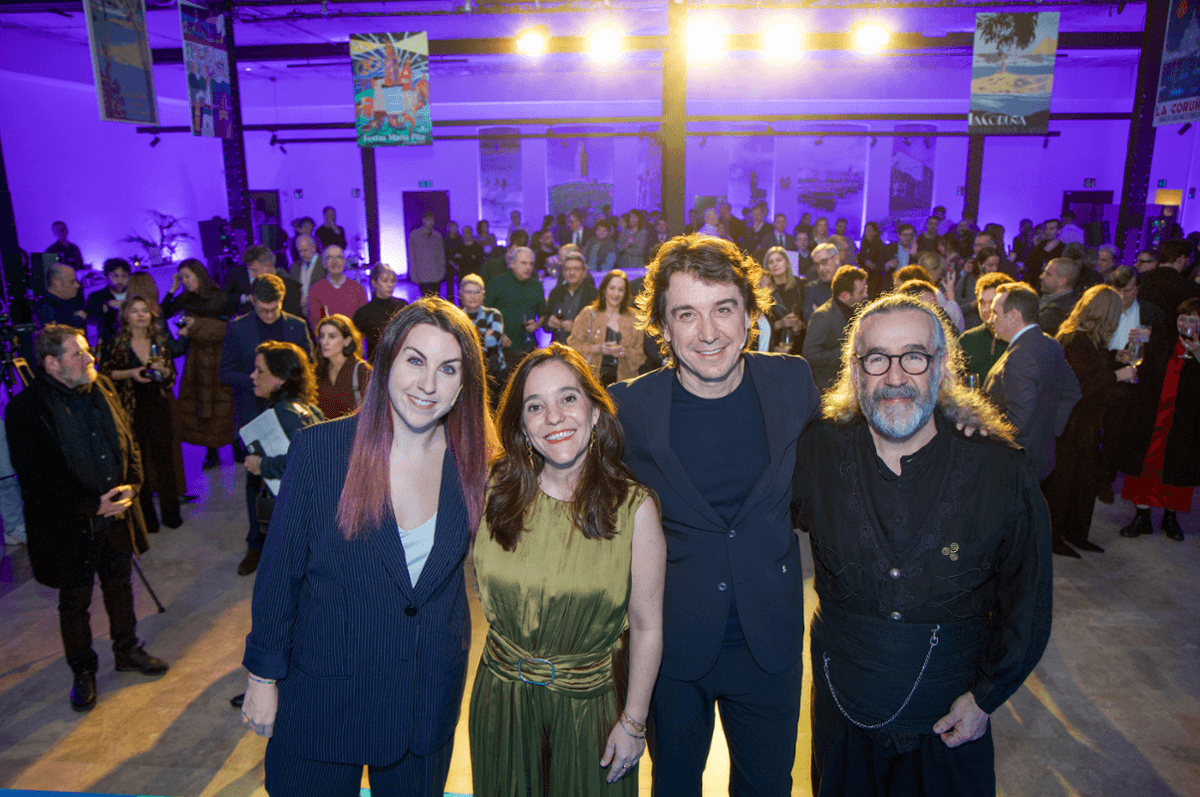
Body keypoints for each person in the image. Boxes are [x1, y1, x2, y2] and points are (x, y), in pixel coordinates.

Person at [792, 293, 1052, 797]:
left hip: (950, 720)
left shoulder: (998, 469)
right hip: (843, 712)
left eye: (913, 357)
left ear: (941, 365)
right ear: (855, 369)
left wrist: (986, 698)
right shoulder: (816, 451)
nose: (895, 377)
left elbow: (1029, 598)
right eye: (877, 359)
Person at [241, 299, 495, 796]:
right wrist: (262, 678)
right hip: (325, 695)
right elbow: (279, 575)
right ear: (386, 361)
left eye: (448, 369)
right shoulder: (321, 451)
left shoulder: (473, 465)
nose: (428, 384)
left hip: (423, 700)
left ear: (465, 384)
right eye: (415, 360)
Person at [609, 235, 821, 795]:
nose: (708, 333)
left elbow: (857, 434)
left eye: (723, 309)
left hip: (769, 641)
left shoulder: (792, 382)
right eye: (687, 314)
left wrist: (953, 420)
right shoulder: (629, 407)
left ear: (750, 315)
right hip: (673, 645)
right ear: (663, 325)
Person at [469, 344, 665, 793]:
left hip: (588, 711)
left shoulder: (634, 509)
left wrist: (634, 724)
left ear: (595, 412)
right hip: (500, 702)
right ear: (522, 425)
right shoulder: (492, 493)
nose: (554, 417)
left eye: (568, 398)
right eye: (535, 407)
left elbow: (647, 626)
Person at [6, 324, 169, 712]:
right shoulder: (25, 409)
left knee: (120, 586)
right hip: (70, 525)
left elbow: (128, 440)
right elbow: (34, 477)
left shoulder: (102, 387)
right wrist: (91, 505)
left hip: (117, 515)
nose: (90, 358)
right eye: (78, 354)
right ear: (52, 363)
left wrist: (132, 486)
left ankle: (127, 651)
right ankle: (83, 671)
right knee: (75, 601)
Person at [219, 274, 313, 576]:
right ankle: (256, 545)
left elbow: (307, 365)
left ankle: (295, 544)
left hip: (288, 410)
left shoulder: (296, 325)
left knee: (294, 474)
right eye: (263, 310)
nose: (270, 315)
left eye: (275, 309)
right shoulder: (237, 328)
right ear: (252, 300)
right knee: (256, 481)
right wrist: (260, 381)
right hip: (254, 412)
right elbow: (225, 371)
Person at [1039, 286, 1139, 557]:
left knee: (1083, 482)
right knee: (1063, 483)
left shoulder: (1084, 339)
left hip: (1084, 424)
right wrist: (1117, 375)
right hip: (1072, 424)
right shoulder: (1075, 339)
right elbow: (1081, 385)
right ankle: (1054, 538)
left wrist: (1113, 360)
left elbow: (1090, 371)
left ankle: (1075, 534)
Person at [1111, 298, 1200, 542]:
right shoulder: (1163, 340)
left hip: (1186, 420)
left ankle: (1171, 516)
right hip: (1155, 414)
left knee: (1178, 467)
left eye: (1193, 320)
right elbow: (1139, 360)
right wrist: (1131, 347)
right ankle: (1142, 515)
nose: (1186, 324)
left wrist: (1196, 351)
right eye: (1182, 318)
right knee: (1146, 464)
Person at [100, 296, 187, 534]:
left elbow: (170, 376)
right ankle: (147, 520)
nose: (141, 315)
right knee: (139, 466)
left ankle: (171, 514)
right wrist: (132, 372)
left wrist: (164, 371)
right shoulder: (117, 342)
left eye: (145, 311)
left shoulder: (159, 339)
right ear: (126, 316)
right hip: (131, 409)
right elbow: (105, 373)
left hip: (159, 404)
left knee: (165, 461)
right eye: (135, 311)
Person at [984, 283, 1082, 483]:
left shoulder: (1021, 355)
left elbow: (1018, 421)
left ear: (1013, 315)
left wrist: (985, 431)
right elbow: (1072, 392)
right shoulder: (1049, 343)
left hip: (1015, 461)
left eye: (995, 313)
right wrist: (1049, 433)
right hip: (1039, 456)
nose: (991, 319)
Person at [162, 259, 236, 469]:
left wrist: (198, 325)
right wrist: (172, 289)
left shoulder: (218, 296)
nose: (185, 281)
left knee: (226, 402)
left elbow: (228, 326)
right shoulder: (185, 298)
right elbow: (163, 312)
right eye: (182, 278)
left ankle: (236, 445)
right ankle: (211, 450)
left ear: (199, 274)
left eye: (188, 276)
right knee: (203, 404)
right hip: (196, 358)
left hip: (220, 355)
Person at [567, 269, 646, 386]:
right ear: (604, 290)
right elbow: (573, 345)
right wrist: (597, 348)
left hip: (624, 383)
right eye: (612, 288)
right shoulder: (588, 314)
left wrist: (625, 352)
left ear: (625, 293)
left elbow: (640, 356)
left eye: (621, 290)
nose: (616, 294)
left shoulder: (635, 317)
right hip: (593, 382)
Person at [803, 265, 869, 392]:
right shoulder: (823, 316)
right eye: (861, 292)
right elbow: (810, 355)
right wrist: (847, 353)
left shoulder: (859, 309)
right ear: (845, 296)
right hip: (830, 386)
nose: (866, 295)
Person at [485, 246, 546, 370]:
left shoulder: (536, 286)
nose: (528, 267)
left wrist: (537, 324)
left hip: (527, 349)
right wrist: (497, 334)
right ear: (512, 264)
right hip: (500, 350)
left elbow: (544, 314)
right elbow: (484, 312)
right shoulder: (497, 282)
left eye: (531, 264)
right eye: (523, 263)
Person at [314, 314, 371, 419]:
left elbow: (375, 409)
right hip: (325, 428)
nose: (324, 342)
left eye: (332, 336)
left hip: (353, 428)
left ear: (347, 341)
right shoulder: (318, 371)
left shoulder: (362, 371)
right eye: (322, 336)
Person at [459, 273, 506, 401]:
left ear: (483, 294)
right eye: (468, 292)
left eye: (477, 292)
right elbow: (456, 344)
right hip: (467, 375)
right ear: (461, 293)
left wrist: (467, 336)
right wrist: (483, 334)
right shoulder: (457, 317)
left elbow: (493, 341)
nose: (473, 296)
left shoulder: (493, 314)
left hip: (494, 374)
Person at [958, 272, 1013, 380]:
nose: (986, 309)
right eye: (982, 302)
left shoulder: (1017, 340)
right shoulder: (967, 340)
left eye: (992, 302)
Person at [227, 245, 302, 317]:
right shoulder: (260, 286)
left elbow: (290, 319)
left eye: (255, 270)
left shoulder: (289, 286)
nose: (252, 275)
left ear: (268, 265)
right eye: (251, 271)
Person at [353, 263, 407, 360]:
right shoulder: (363, 312)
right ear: (374, 282)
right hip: (375, 364)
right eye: (385, 280)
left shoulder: (402, 306)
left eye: (393, 280)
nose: (390, 285)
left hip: (399, 361)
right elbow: (356, 344)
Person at [307, 246, 368, 332]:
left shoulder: (358, 289)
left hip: (353, 339)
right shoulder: (315, 290)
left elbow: (363, 322)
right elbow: (315, 323)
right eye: (329, 258)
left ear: (344, 261)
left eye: (339, 257)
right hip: (327, 339)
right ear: (324, 263)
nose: (334, 262)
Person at [543, 252, 598, 344]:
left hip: (582, 348)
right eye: (568, 269)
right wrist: (549, 323)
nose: (571, 273)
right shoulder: (556, 293)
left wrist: (576, 328)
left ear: (584, 272)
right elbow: (545, 324)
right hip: (559, 347)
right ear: (563, 273)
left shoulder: (594, 294)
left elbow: (599, 328)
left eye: (576, 269)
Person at [763, 245, 806, 353]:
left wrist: (800, 324)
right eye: (770, 262)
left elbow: (808, 317)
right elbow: (759, 325)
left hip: (800, 344)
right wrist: (781, 323)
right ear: (767, 267)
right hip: (775, 346)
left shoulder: (800, 285)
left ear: (787, 263)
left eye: (779, 260)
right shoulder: (765, 289)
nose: (775, 264)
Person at [85, 258, 131, 349]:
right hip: (109, 346)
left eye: (124, 276)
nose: (119, 280)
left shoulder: (135, 294)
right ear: (106, 276)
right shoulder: (97, 296)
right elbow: (90, 318)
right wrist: (106, 306)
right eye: (115, 276)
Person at [33, 263, 86, 330]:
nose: (77, 285)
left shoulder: (68, 303)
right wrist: (78, 319)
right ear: (57, 282)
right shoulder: (45, 308)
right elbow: (55, 333)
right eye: (72, 281)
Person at [1038, 257, 1081, 336]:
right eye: (1044, 272)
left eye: (1048, 274)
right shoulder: (1048, 298)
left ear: (1062, 281)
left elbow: (1028, 326)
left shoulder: (1061, 310)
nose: (1041, 276)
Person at [409, 211, 447, 298]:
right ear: (423, 220)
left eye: (432, 220)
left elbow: (441, 255)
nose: (430, 222)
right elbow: (412, 256)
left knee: (435, 300)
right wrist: (413, 275)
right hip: (422, 274)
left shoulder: (437, 236)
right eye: (428, 219)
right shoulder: (414, 235)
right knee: (426, 300)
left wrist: (442, 271)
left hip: (436, 274)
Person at [289, 234, 326, 308]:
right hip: (300, 311)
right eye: (299, 251)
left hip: (320, 308)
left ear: (314, 247)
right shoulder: (295, 267)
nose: (302, 254)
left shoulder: (325, 264)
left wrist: (309, 299)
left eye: (305, 250)